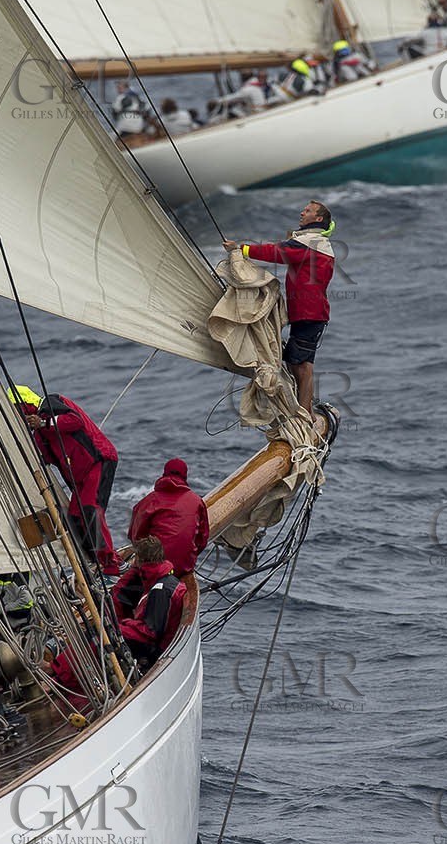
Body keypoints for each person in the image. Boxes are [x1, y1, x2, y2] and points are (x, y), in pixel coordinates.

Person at [222, 200, 335, 418]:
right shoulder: (313, 242)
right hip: (310, 313)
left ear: (318, 219)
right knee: (299, 361)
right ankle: (305, 409)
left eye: (308, 211)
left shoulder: (309, 243)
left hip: (309, 314)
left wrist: (241, 249)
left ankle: (305, 413)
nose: (302, 212)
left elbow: (277, 252)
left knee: (301, 363)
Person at [21, 392, 120, 573]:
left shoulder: (51, 403)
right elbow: (46, 456)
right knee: (74, 516)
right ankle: (95, 561)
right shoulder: (39, 433)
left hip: (98, 461)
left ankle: (112, 565)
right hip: (79, 476)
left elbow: (75, 420)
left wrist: (44, 423)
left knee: (90, 510)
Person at [112, 536, 186, 671]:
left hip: (154, 651)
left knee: (102, 635)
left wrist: (123, 625)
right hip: (159, 643)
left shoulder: (160, 591)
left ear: (139, 560)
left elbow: (150, 632)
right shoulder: (166, 580)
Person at [128, 458, 210, 577]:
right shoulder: (197, 501)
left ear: (164, 474)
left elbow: (136, 535)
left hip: (153, 565)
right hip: (183, 567)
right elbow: (202, 540)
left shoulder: (151, 500)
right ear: (185, 476)